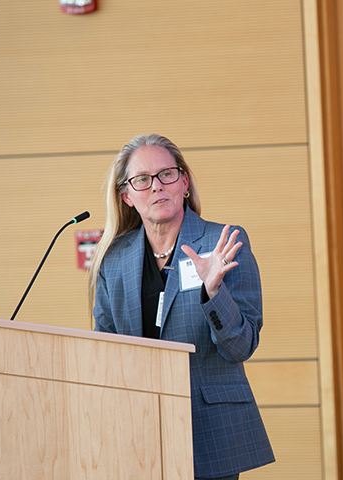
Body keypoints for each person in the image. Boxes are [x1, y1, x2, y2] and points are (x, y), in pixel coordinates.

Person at [88, 134, 275, 480]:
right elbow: (105, 351)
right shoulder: (113, 260)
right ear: (127, 196)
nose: (156, 186)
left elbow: (241, 346)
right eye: (142, 180)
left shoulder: (224, 244)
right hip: (137, 432)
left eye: (167, 174)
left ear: (184, 182)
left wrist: (213, 291)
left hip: (209, 431)